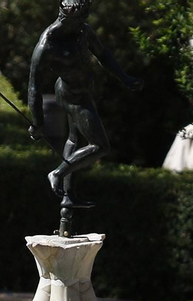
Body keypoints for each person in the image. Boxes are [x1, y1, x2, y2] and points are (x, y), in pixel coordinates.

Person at [28, 0, 143, 209]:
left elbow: (103, 55)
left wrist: (125, 78)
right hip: (73, 97)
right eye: (80, 19)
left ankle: (68, 195)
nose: (84, 22)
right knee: (100, 146)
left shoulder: (82, 31)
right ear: (66, 18)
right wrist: (38, 123)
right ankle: (57, 173)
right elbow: (34, 87)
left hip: (84, 92)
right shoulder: (48, 44)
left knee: (74, 140)